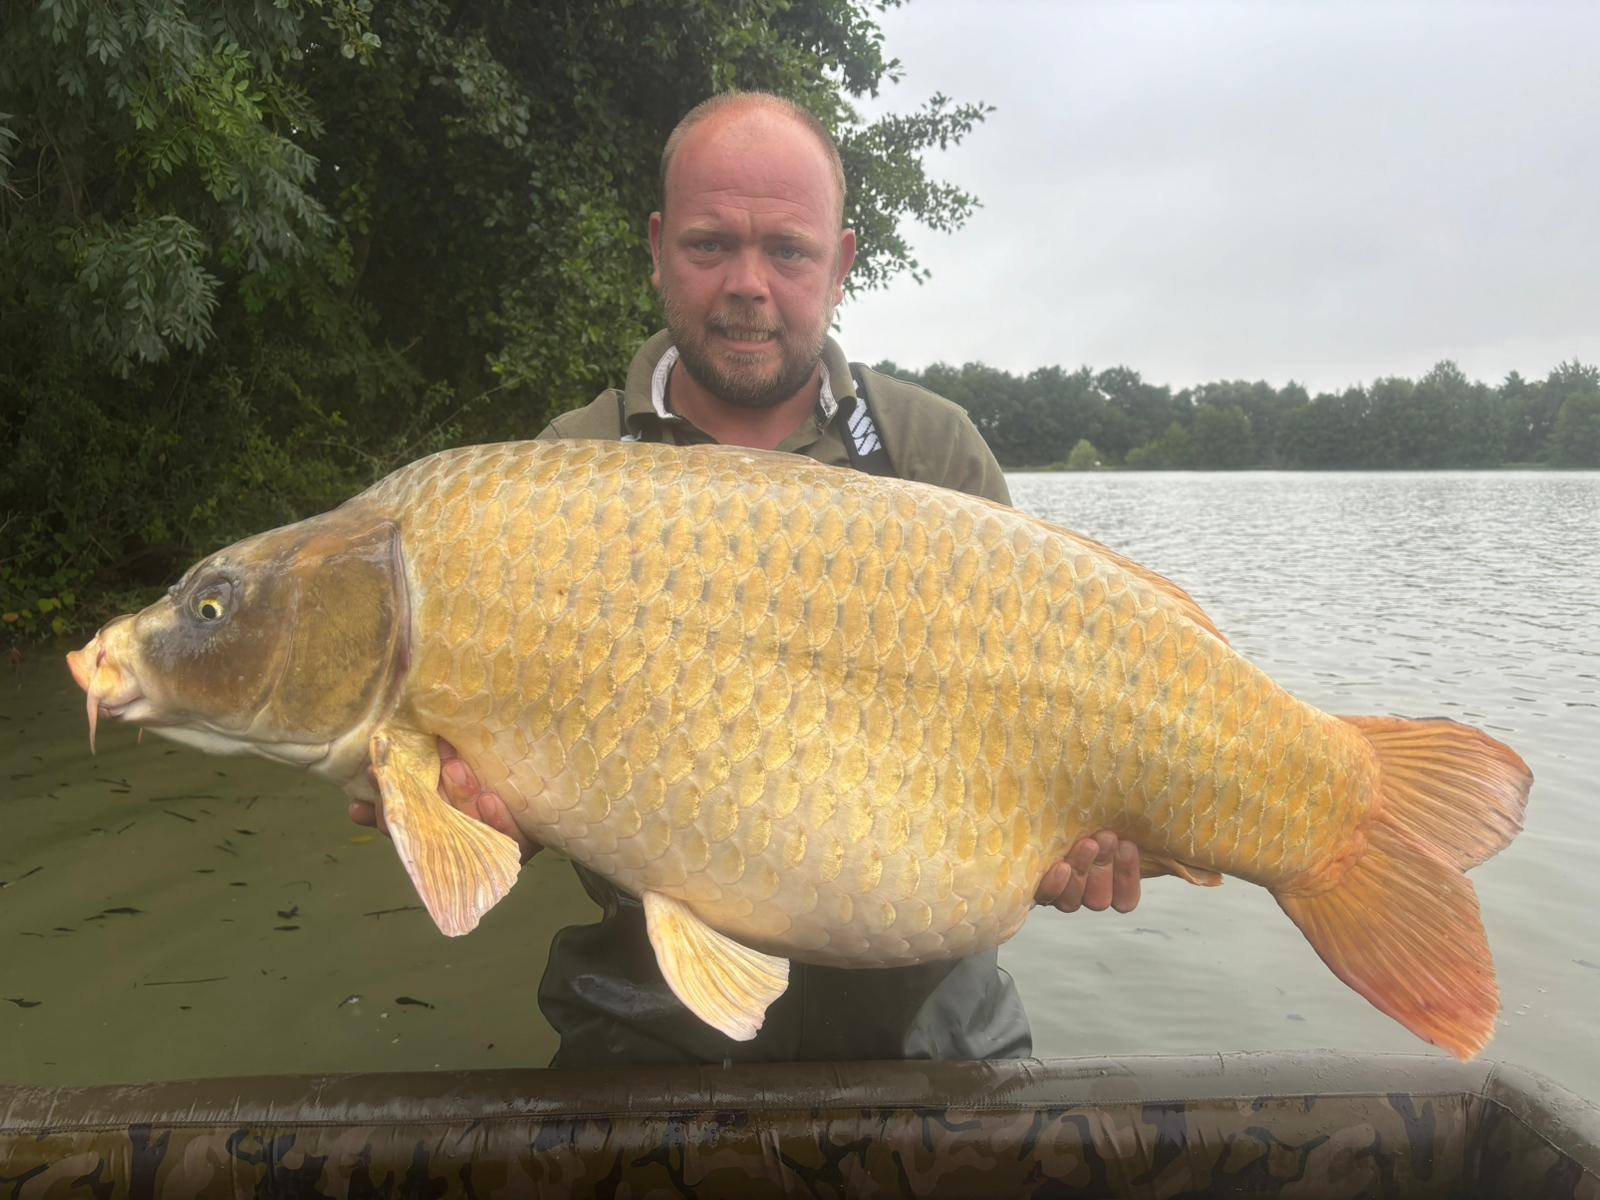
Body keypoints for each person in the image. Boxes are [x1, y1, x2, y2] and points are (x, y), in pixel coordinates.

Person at [351, 91, 1143, 1067]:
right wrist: (470, 813)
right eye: (709, 244)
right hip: (648, 991)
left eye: (788, 252)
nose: (747, 284)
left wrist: (1084, 839)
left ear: (841, 265)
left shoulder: (930, 452)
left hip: (924, 996)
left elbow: (1038, 746)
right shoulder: (562, 471)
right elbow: (524, 786)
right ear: (656, 250)